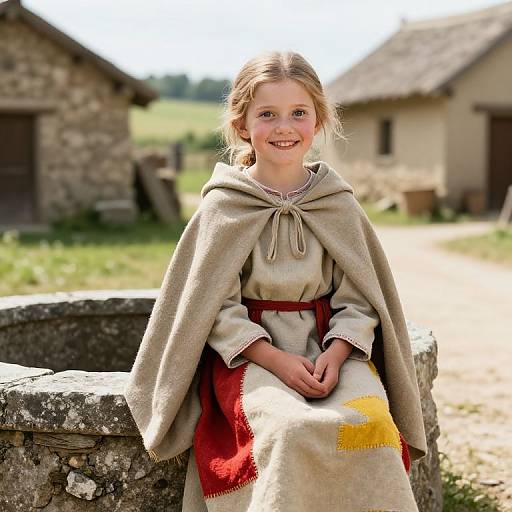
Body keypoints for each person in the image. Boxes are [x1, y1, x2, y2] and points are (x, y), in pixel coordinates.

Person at [124, 50, 427, 512]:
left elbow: (363, 298)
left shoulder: (337, 204)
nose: (284, 127)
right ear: (243, 123)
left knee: (371, 424)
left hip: (330, 350)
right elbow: (212, 307)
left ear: (318, 120)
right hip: (250, 358)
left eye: (298, 113)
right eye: (268, 114)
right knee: (287, 430)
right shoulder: (226, 206)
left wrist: (338, 351)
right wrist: (277, 361)